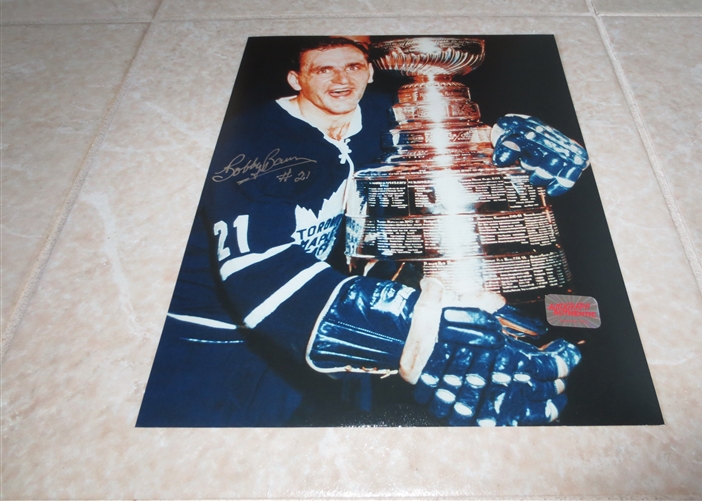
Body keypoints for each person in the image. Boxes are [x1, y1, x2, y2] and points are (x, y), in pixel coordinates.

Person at [137, 37, 586, 427]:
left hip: (300, 345)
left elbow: (435, 148)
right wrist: (418, 333)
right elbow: (257, 270)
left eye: (353, 66)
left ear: (370, 71)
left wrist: (503, 138)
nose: (341, 80)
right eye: (324, 69)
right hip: (207, 343)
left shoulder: (377, 114)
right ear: (297, 79)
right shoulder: (250, 139)